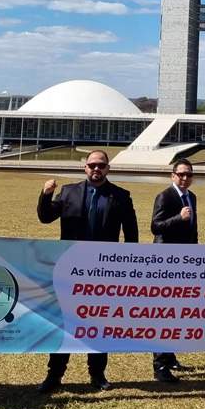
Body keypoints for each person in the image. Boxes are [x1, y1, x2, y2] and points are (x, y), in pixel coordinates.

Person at [36, 149, 138, 393]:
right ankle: (55, 374)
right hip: (70, 269)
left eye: (101, 165)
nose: (96, 169)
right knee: (65, 323)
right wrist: (46, 195)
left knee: (99, 322)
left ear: (108, 168)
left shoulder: (121, 196)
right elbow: (45, 217)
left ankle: (97, 373)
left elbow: (131, 234)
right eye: (92, 164)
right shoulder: (69, 192)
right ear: (85, 167)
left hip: (104, 271)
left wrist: (126, 265)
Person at [149, 157, 198, 383]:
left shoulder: (192, 197)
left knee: (177, 312)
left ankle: (169, 356)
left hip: (185, 262)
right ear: (172, 175)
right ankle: (159, 365)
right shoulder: (165, 196)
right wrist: (179, 218)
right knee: (163, 313)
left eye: (188, 174)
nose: (185, 178)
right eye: (181, 174)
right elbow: (155, 227)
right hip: (165, 262)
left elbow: (192, 230)